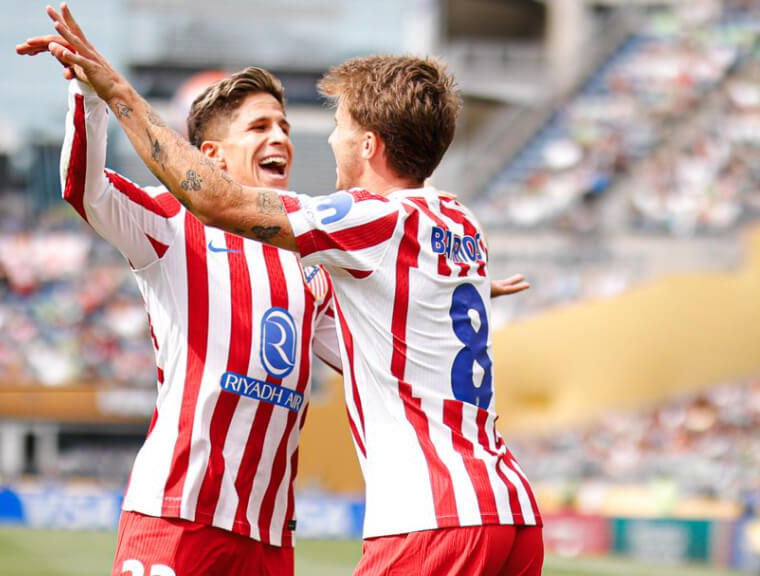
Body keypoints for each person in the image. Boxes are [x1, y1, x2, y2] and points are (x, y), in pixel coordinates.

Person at [41, 3, 543, 575]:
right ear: (210, 155)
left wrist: (421, 287)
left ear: (369, 144)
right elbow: (86, 190)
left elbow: (373, 339)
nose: (288, 136)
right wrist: (91, 96)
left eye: (287, 125)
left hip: (275, 533)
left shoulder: (326, 261)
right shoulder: (172, 224)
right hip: (180, 512)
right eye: (259, 128)